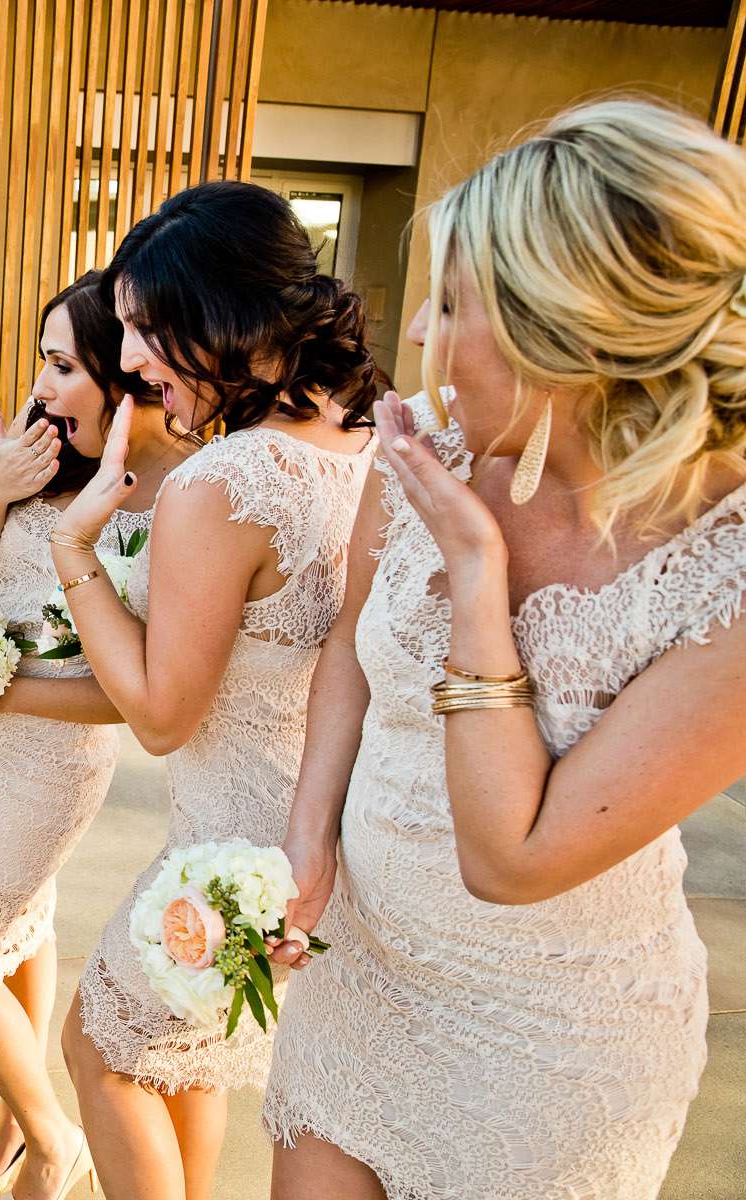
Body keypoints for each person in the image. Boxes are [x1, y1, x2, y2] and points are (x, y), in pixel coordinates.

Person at [264, 98, 746, 1200]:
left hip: (551, 1052)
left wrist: (479, 580)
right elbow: (350, 645)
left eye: (451, 303)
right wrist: (309, 844)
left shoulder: (732, 567)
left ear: (567, 335)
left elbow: (513, 858)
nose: (420, 336)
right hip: (365, 979)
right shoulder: (427, 438)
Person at [51, 181, 383, 1200]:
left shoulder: (225, 483)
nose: (135, 363)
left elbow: (160, 713)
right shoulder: (362, 437)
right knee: (187, 1068)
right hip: (324, 832)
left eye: (149, 332)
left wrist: (75, 552)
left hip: (232, 845)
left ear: (225, 316)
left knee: (102, 1052)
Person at [0, 272, 189, 1200]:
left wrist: (0, 691)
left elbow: (135, 697)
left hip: (46, 758)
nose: (41, 384)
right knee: (20, 930)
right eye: (43, 359)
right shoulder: (54, 452)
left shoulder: (171, 504)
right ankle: (11, 1134)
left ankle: (50, 1134)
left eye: (64, 364)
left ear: (129, 376)